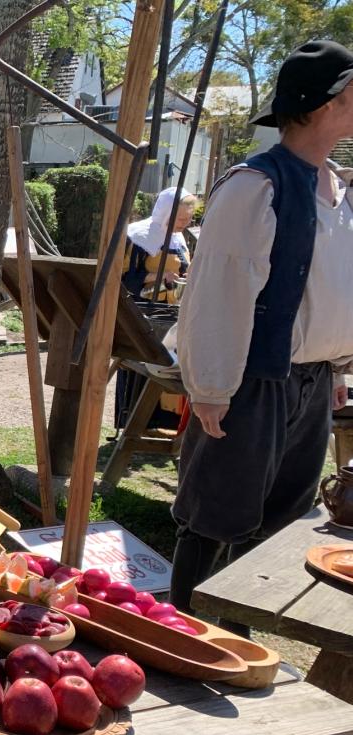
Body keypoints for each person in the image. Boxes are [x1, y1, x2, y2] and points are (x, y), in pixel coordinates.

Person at [168, 41, 353, 618]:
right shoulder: (256, 186)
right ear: (328, 103)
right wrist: (211, 387)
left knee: (282, 515)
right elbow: (215, 297)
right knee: (217, 512)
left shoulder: (342, 189)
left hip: (313, 379)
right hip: (252, 379)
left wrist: (339, 368)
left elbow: (334, 283)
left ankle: (236, 634)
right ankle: (186, 637)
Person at [115, 187, 197, 429]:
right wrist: (156, 277)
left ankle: (166, 423)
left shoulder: (178, 238)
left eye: (188, 218)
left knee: (170, 365)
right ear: (164, 214)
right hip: (142, 310)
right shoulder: (137, 236)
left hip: (171, 311)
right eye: (180, 218)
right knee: (142, 364)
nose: (185, 223)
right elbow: (122, 276)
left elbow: (181, 269)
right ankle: (135, 422)